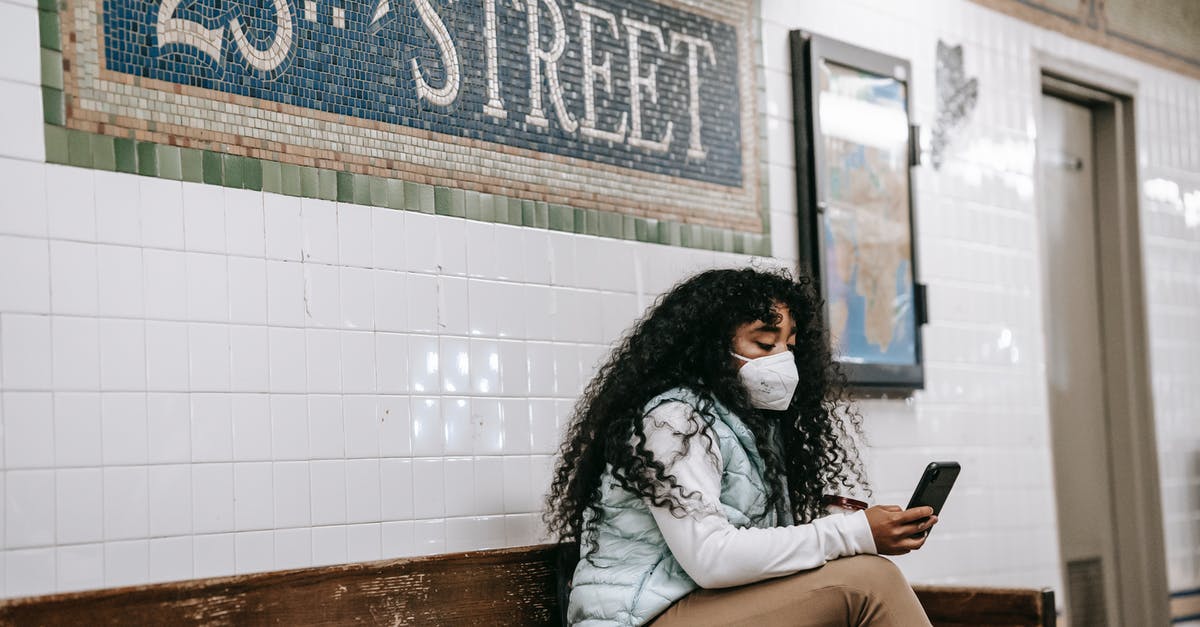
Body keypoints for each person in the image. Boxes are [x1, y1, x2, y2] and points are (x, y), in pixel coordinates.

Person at [543, 266, 937, 626]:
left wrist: (835, 522)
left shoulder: (749, 427)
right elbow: (711, 559)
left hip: (706, 606)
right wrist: (849, 533)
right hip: (642, 618)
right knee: (869, 581)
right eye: (765, 345)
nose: (782, 361)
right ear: (708, 347)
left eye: (790, 347)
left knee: (862, 575)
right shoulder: (673, 422)